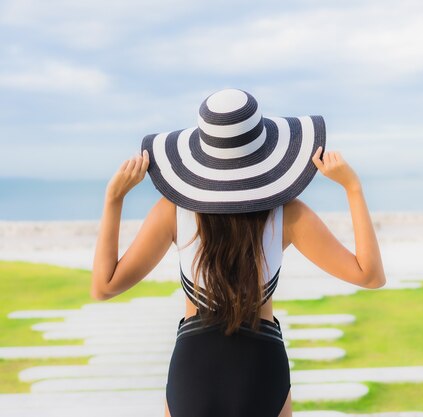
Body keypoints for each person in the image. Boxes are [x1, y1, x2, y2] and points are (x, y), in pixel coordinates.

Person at [91, 88, 386, 417]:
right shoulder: (287, 214)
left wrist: (114, 199)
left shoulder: (172, 212)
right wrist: (353, 188)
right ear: (265, 149)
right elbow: (370, 275)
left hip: (194, 369)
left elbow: (104, 287)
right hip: (261, 367)